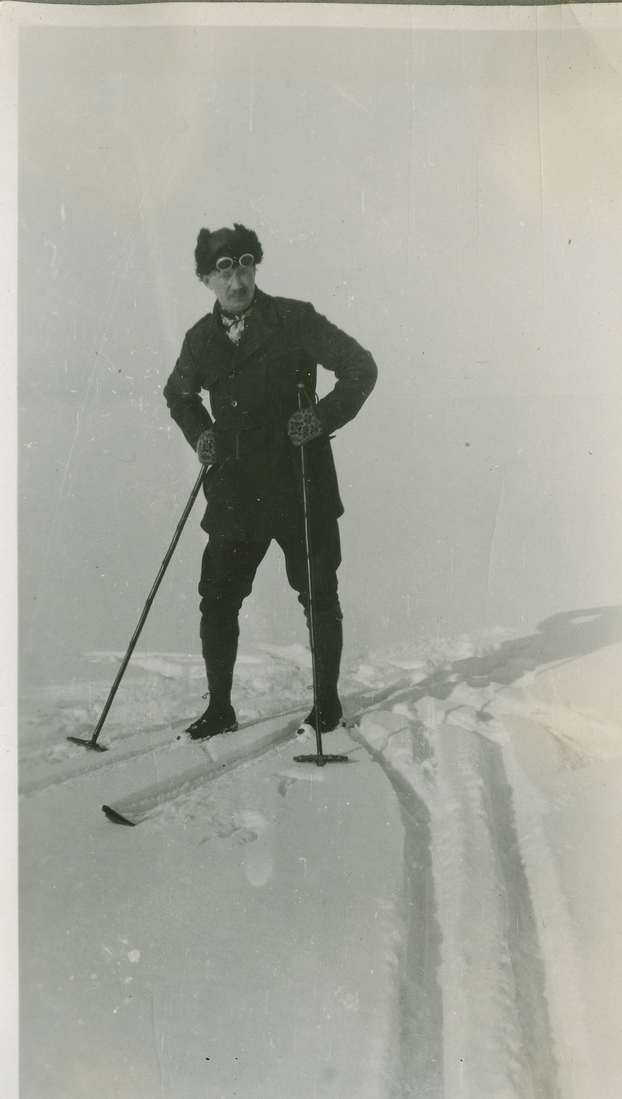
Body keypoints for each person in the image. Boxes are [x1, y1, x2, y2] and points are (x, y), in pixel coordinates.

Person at [164, 223, 378, 740]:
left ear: (255, 267)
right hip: (236, 491)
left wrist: (321, 419)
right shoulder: (201, 340)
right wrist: (202, 434)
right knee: (217, 599)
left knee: (318, 594)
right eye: (222, 272)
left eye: (243, 266)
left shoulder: (295, 319)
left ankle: (326, 705)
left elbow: (360, 367)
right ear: (205, 280)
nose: (235, 281)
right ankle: (220, 709)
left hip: (300, 481)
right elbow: (178, 394)